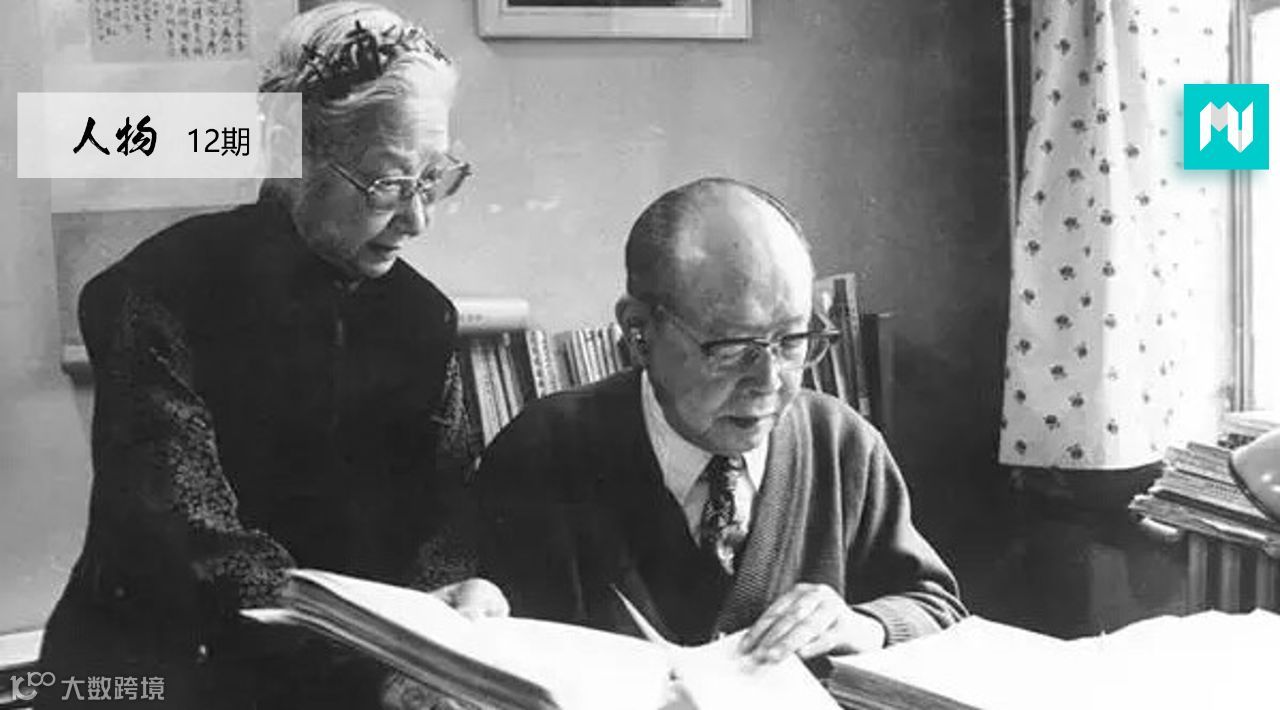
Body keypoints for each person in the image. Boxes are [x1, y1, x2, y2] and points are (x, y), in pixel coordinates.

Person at [38, 4, 506, 709]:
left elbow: (448, 512)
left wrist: (454, 598)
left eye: (433, 178)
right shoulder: (151, 295)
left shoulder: (423, 317)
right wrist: (383, 658)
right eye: (387, 184)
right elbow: (198, 545)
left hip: (353, 674)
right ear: (290, 150)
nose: (417, 219)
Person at [475, 178, 966, 665]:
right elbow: (474, 628)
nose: (769, 381)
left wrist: (864, 625)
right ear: (640, 332)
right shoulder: (543, 449)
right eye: (732, 348)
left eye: (792, 340)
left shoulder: (842, 445)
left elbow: (935, 606)